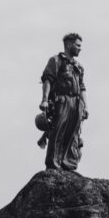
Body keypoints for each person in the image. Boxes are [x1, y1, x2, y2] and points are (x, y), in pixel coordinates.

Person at [39, 33, 89, 171]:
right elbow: (47, 79)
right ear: (68, 45)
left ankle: (69, 164)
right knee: (58, 130)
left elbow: (82, 87)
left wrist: (85, 107)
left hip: (77, 103)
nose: (80, 48)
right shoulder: (55, 60)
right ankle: (53, 164)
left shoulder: (79, 67)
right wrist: (44, 100)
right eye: (78, 45)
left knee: (73, 134)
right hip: (61, 100)